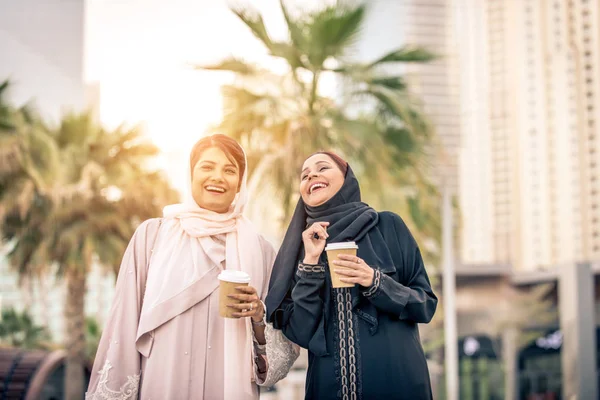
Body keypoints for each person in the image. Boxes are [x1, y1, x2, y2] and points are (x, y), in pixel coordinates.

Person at [87, 134, 297, 400]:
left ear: (239, 184)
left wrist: (257, 314)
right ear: (190, 174)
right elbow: (124, 324)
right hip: (162, 383)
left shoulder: (261, 250)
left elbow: (276, 360)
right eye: (207, 167)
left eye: (229, 170)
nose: (218, 177)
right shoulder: (153, 236)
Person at [265, 151, 438, 400]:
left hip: (397, 384)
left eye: (323, 168)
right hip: (327, 390)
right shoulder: (299, 250)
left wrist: (375, 281)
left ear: (347, 179)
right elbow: (301, 332)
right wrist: (311, 263)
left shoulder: (388, 227)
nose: (312, 174)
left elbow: (426, 305)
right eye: (304, 175)